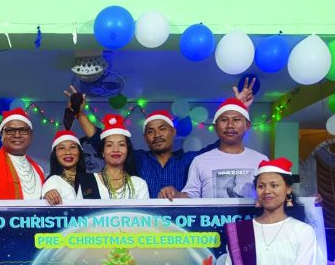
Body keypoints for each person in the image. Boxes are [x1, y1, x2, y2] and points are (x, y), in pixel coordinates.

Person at [66, 84, 255, 198]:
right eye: (151, 131)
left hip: (180, 230)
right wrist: (80, 114)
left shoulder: (190, 160)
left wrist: (239, 107)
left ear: (173, 132)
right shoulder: (138, 159)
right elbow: (102, 140)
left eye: (162, 129)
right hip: (146, 230)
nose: (157, 135)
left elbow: (225, 141)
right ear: (145, 138)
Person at [166, 98, 268, 201]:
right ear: (215, 126)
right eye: (224, 120)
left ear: (247, 125)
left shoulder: (261, 160)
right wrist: (175, 194)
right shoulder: (200, 161)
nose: (230, 125)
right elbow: (190, 197)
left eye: (236, 120)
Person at [0, 108, 44, 200]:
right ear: (2, 135)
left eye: (23, 130)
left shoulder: (38, 170)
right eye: (10, 130)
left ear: (31, 135)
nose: (17, 135)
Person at [74, 114, 150, 200]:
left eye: (121, 144)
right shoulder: (87, 182)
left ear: (127, 150)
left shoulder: (139, 184)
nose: (115, 149)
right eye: (109, 145)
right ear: (102, 152)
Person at [42, 130, 87, 205]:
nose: (68, 152)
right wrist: (48, 195)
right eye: (61, 148)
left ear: (80, 152)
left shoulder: (89, 181)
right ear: (55, 154)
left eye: (72, 147)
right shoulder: (53, 181)